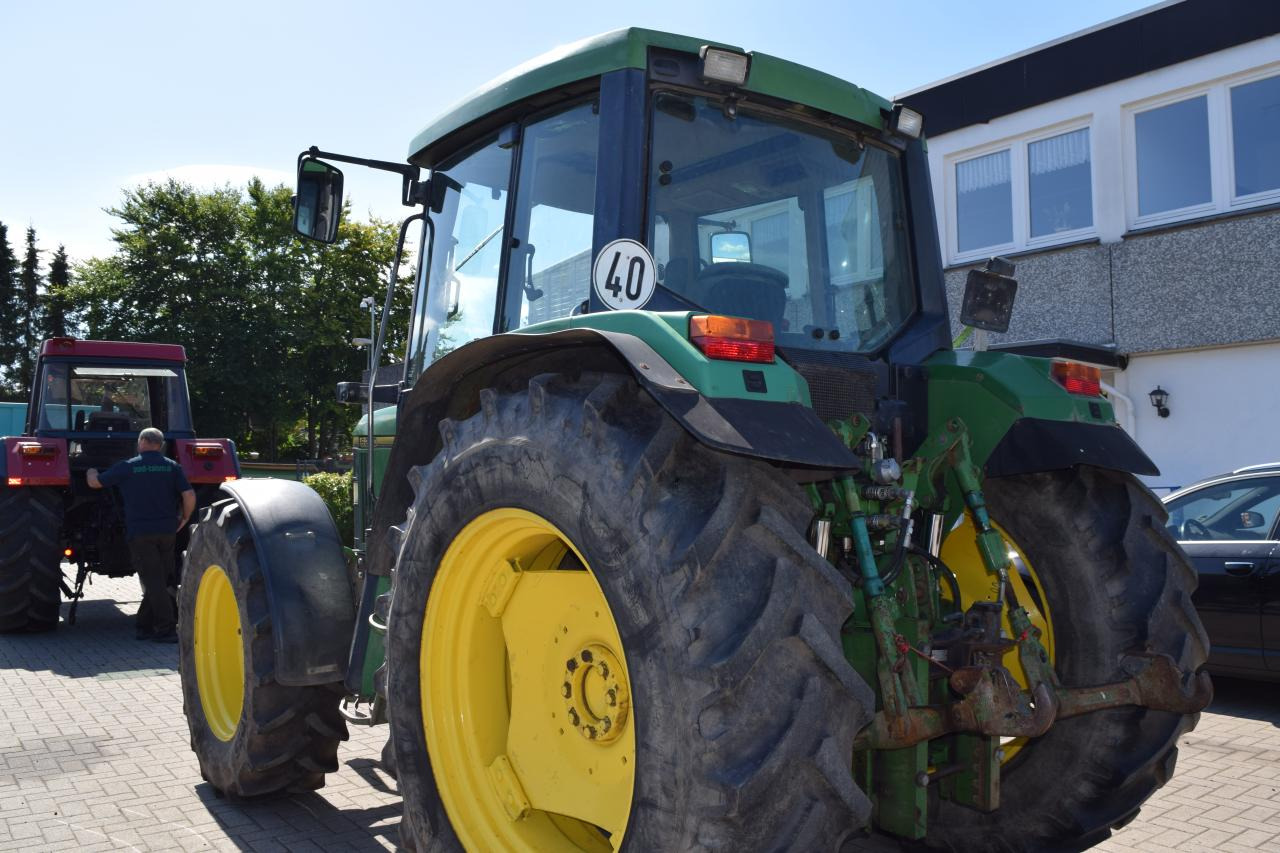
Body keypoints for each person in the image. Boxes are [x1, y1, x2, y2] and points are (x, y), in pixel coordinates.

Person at [87, 427, 196, 643]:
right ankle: (144, 626)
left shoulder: (128, 466)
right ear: (161, 444)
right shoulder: (172, 466)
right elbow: (189, 494)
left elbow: (96, 484)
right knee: (161, 578)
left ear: (142, 442)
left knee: (155, 581)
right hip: (167, 532)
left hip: (141, 533)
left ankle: (164, 629)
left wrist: (91, 472)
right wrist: (184, 518)